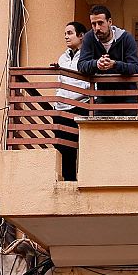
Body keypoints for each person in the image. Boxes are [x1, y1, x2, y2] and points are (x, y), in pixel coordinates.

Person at [77, 5, 138, 116]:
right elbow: (81, 65)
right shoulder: (89, 38)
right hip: (103, 95)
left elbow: (135, 68)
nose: (97, 28)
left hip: (127, 96)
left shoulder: (126, 38)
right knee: (101, 132)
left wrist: (114, 64)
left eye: (100, 23)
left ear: (110, 22)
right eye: (93, 24)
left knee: (127, 132)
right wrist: (97, 64)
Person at [51, 20, 89, 180]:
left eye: (70, 33)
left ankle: (83, 179)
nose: (66, 37)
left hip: (79, 106)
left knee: (80, 145)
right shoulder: (63, 57)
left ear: (81, 36)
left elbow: (86, 83)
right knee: (63, 147)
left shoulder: (88, 56)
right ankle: (68, 180)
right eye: (65, 34)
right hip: (61, 108)